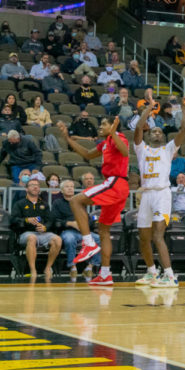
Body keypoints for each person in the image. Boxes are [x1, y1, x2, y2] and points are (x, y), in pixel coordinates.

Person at [57, 116, 131, 285]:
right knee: (104, 230)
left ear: (113, 125)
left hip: (115, 182)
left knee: (75, 200)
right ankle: (105, 274)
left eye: (104, 124)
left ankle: (88, 242)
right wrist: (68, 139)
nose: (100, 126)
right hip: (118, 187)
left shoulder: (118, 137)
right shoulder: (104, 143)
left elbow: (126, 152)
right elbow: (88, 155)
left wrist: (113, 132)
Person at [132, 96, 185, 288]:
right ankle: (151, 272)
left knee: (158, 235)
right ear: (149, 136)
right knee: (143, 238)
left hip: (162, 194)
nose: (156, 133)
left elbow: (183, 130)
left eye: (159, 131)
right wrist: (148, 108)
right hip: (146, 195)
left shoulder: (168, 149)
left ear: (163, 137)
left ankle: (170, 275)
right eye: (154, 131)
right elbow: (139, 128)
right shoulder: (141, 149)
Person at [10, 180, 62, 279]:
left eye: (37, 185)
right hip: (26, 233)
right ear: (26, 189)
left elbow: (50, 220)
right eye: (32, 185)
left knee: (58, 240)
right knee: (32, 237)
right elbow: (13, 220)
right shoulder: (19, 204)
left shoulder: (44, 204)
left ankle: (47, 268)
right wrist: (26, 220)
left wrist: (45, 227)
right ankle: (33, 270)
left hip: (43, 233)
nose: (35, 187)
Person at [52, 179, 100, 280]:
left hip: (83, 231)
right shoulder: (57, 203)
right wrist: (70, 223)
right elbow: (54, 221)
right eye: (67, 187)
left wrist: (85, 223)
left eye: (72, 187)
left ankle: (90, 266)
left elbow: (89, 219)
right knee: (69, 239)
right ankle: (72, 267)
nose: (70, 188)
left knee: (99, 239)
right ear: (61, 190)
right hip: (68, 231)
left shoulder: (80, 203)